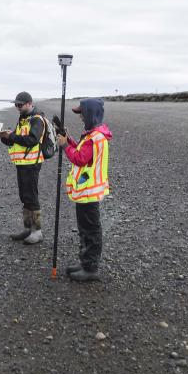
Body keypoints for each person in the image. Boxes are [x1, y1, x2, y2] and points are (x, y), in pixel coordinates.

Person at [57, 98, 112, 282]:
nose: (80, 116)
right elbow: (83, 153)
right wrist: (69, 140)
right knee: (85, 228)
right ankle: (85, 262)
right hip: (86, 191)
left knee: (90, 229)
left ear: (90, 113)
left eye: (82, 113)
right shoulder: (93, 135)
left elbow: (80, 159)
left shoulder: (95, 137)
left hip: (89, 192)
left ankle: (90, 267)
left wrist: (64, 145)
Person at [0, 91, 47, 244]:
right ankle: (27, 229)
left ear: (29, 103)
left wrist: (11, 136)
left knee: (31, 197)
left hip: (32, 164)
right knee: (25, 197)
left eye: (20, 105)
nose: (17, 107)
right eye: (16, 105)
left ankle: (37, 232)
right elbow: (18, 141)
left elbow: (32, 140)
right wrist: (5, 138)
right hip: (22, 163)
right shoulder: (23, 119)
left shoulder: (37, 119)